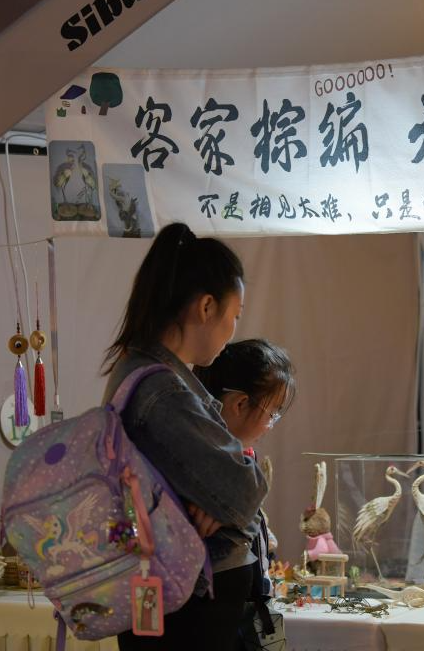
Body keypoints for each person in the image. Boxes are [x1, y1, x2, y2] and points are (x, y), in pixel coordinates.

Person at [102, 222, 268, 650]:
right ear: (207, 307)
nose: (233, 330)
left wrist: (223, 502)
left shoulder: (143, 371)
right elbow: (245, 491)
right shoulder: (162, 390)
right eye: (235, 315)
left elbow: (234, 497)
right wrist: (228, 501)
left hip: (175, 596)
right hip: (187, 609)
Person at [193, 339, 295, 597]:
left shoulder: (241, 459)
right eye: (272, 413)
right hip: (211, 603)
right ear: (239, 404)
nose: (271, 425)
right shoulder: (201, 466)